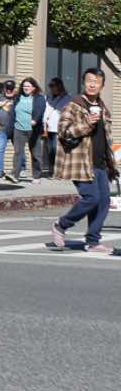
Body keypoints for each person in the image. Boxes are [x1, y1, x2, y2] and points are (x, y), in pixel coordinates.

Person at [50, 68, 114, 255]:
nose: (92, 84)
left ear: (102, 85)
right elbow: (63, 131)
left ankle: (93, 242)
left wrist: (111, 164)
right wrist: (87, 124)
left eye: (97, 81)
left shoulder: (103, 108)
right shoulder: (74, 105)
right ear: (84, 83)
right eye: (89, 81)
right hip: (81, 163)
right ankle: (61, 225)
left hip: (100, 163)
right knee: (91, 198)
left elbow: (105, 138)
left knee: (103, 201)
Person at [6, 76, 44, 182]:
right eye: (24, 86)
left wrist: (35, 120)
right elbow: (13, 112)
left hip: (33, 129)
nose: (25, 88)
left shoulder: (39, 98)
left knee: (36, 154)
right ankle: (15, 175)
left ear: (34, 87)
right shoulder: (18, 97)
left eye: (28, 86)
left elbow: (40, 110)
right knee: (18, 152)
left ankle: (36, 176)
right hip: (18, 128)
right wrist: (10, 128)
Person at [43, 76, 68, 178]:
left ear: (59, 86)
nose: (51, 88)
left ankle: (59, 171)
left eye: (53, 86)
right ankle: (51, 170)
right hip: (48, 128)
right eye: (50, 86)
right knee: (50, 151)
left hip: (59, 129)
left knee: (56, 150)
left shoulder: (67, 98)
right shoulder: (47, 97)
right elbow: (45, 111)